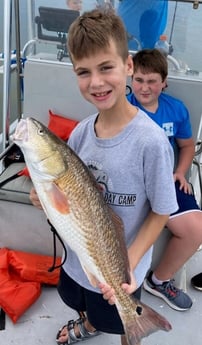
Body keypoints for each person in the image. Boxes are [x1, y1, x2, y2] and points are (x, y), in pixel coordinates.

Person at [30, 10, 178, 345]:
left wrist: (132, 262)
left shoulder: (151, 142)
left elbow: (162, 210)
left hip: (122, 270)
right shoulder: (81, 133)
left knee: (122, 317)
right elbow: (68, 197)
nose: (96, 82)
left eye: (106, 67)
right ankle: (89, 324)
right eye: (84, 72)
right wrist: (42, 198)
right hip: (78, 263)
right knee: (82, 303)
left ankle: (129, 332)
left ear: (128, 65)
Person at [128, 48, 202, 311]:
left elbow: (186, 145)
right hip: (130, 185)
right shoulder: (121, 110)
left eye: (152, 81)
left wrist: (180, 171)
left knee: (197, 229)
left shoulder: (176, 110)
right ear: (130, 77)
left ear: (164, 82)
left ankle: (158, 281)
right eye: (139, 80)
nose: (144, 87)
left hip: (165, 181)